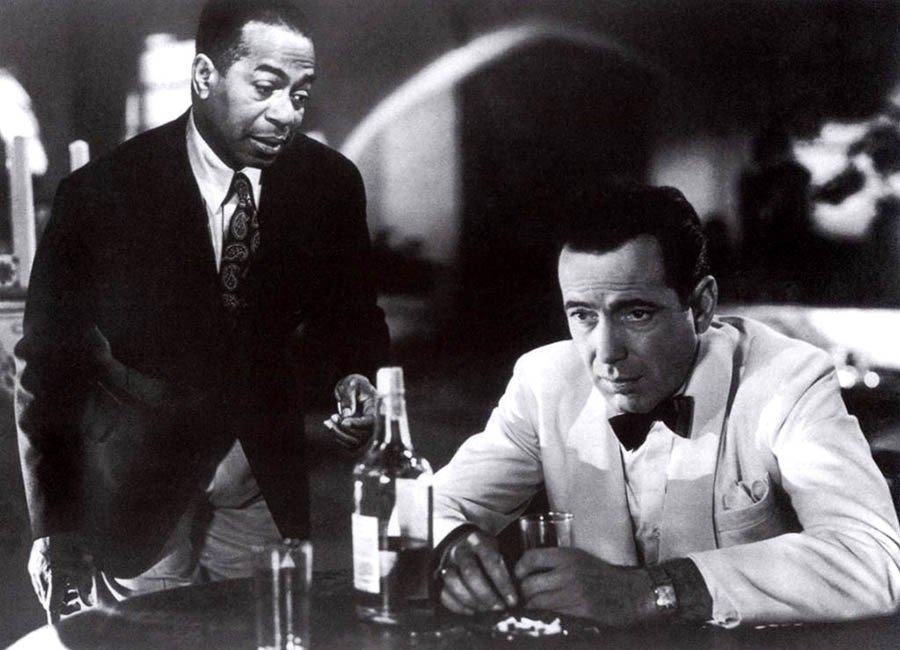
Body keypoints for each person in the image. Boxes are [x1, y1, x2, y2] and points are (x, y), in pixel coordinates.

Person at [15, 0, 388, 622]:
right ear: (204, 76)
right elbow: (48, 366)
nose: (286, 113)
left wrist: (357, 377)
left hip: (261, 476)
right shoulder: (101, 194)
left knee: (265, 629)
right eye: (265, 88)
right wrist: (55, 523)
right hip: (138, 483)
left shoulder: (329, 183)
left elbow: (353, 315)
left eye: (300, 94)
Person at [432, 183, 900, 627]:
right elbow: (434, 504)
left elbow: (873, 560)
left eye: (636, 313)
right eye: (583, 315)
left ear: (702, 306)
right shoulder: (544, 382)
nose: (606, 352)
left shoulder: (786, 380)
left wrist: (651, 591)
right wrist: (452, 547)